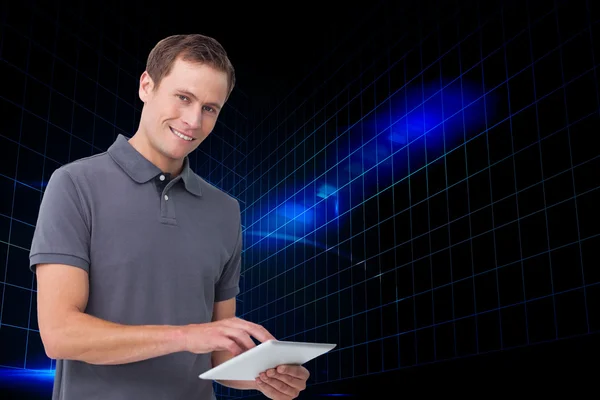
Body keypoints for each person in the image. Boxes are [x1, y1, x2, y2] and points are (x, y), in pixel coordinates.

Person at [29, 33, 309, 400]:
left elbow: (217, 350)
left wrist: (264, 377)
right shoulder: (74, 185)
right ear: (147, 85)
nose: (193, 120)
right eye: (183, 98)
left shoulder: (225, 211)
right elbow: (60, 335)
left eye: (210, 108)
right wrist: (184, 336)